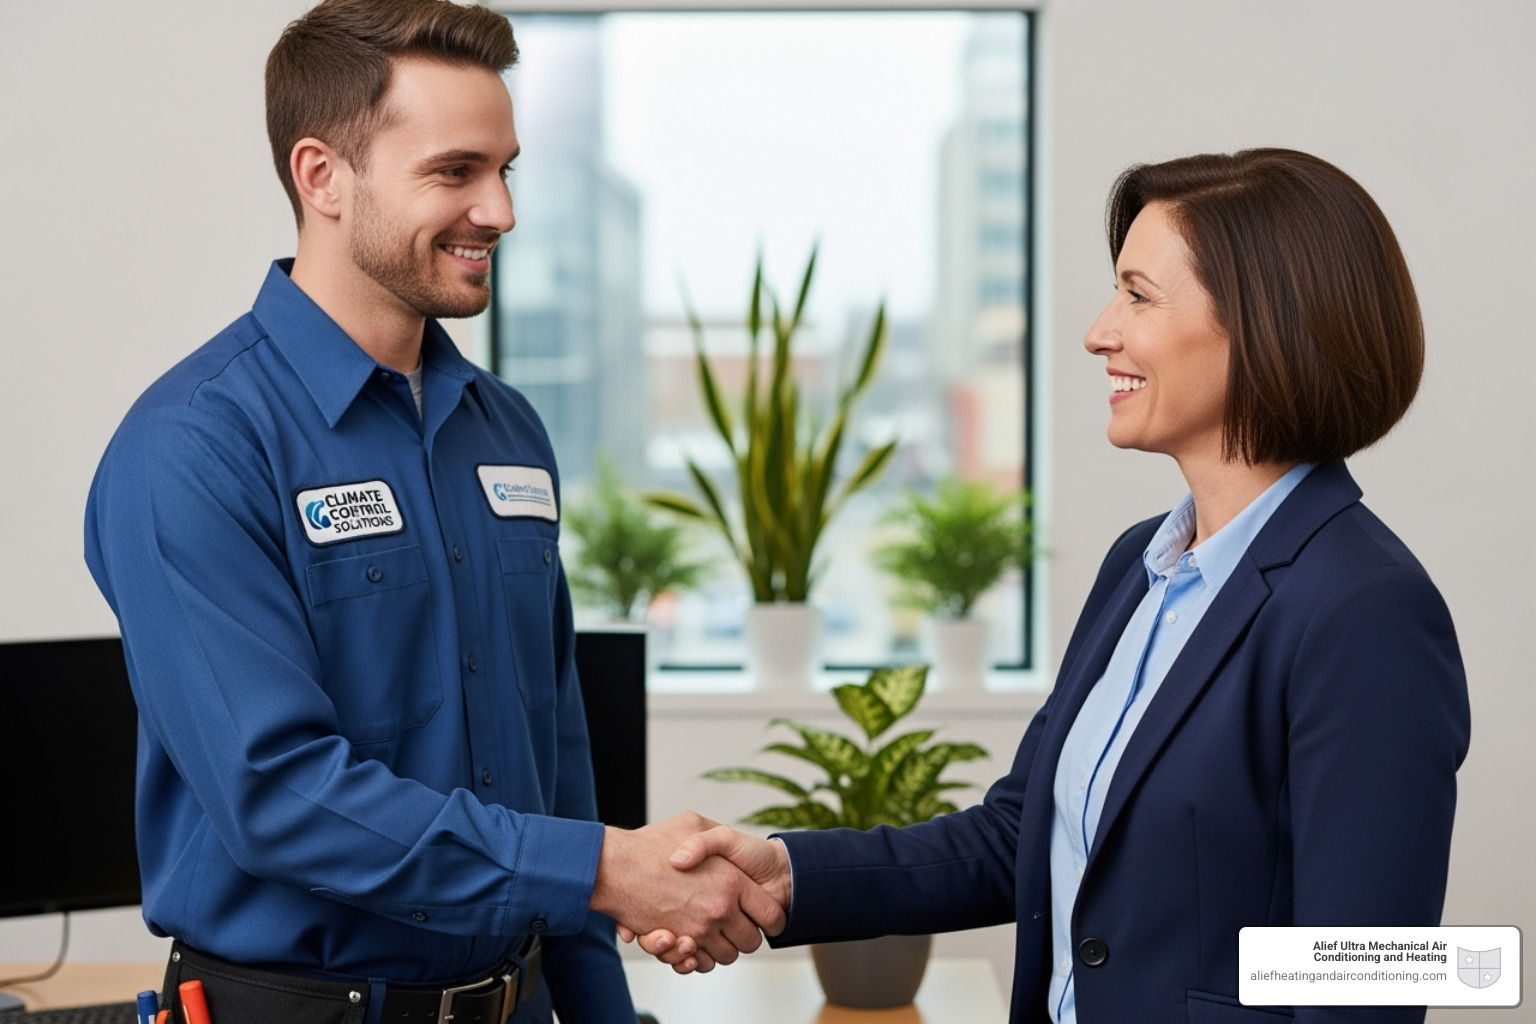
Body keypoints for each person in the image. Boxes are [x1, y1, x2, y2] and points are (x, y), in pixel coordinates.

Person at [629, 148, 1472, 1024]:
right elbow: (1018, 836)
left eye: (1138, 295)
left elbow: (1362, 990)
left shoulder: (1364, 609)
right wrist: (789, 876)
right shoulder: (1141, 566)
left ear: (1265, 322)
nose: (1099, 331)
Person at [83, 2, 778, 1022]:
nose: (498, 210)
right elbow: (278, 793)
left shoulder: (508, 432)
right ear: (321, 176)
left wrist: (601, 1002)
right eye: (456, 172)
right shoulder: (193, 445)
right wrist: (599, 866)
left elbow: (558, 765)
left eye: (507, 170)